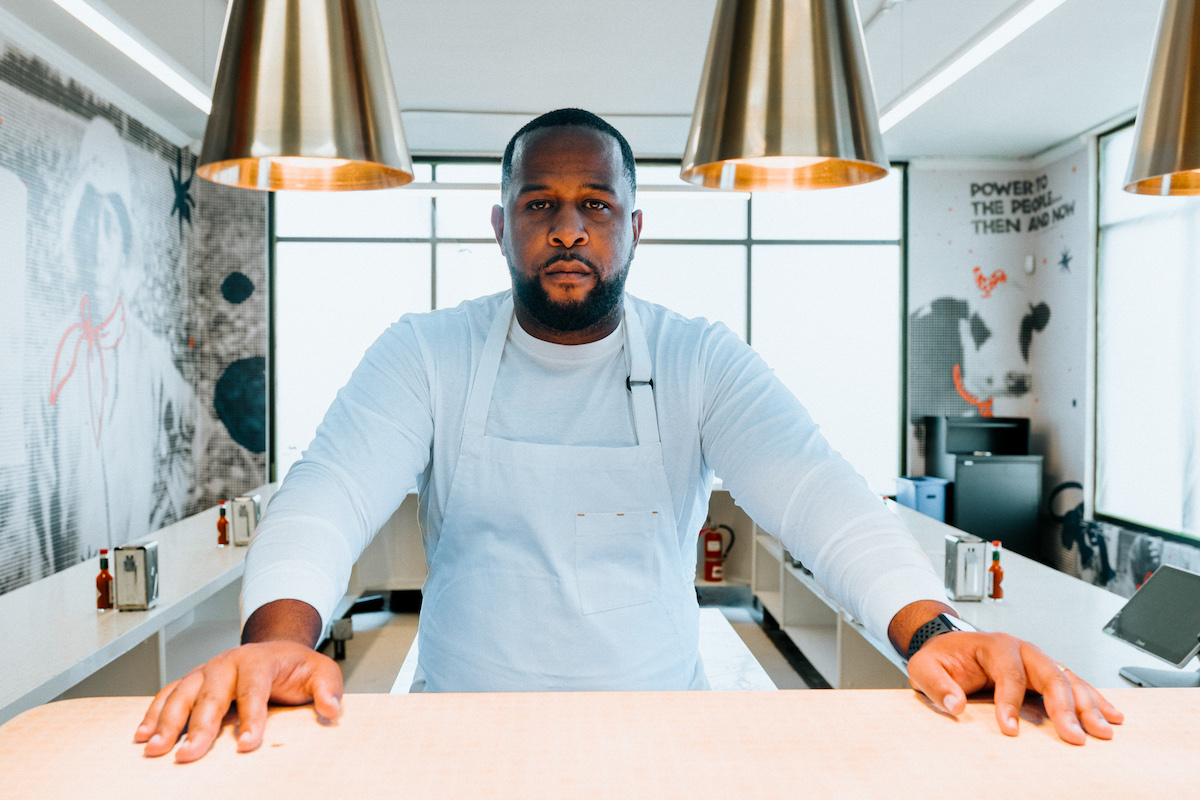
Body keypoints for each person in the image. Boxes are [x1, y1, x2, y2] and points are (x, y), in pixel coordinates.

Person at [135, 109, 1122, 763]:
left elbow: (819, 494)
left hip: (663, 733)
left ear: (635, 228)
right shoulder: (427, 352)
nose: (569, 228)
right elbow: (327, 491)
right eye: (541, 205)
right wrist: (275, 642)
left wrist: (933, 630)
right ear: (501, 226)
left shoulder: (700, 359)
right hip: (455, 733)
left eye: (595, 206)